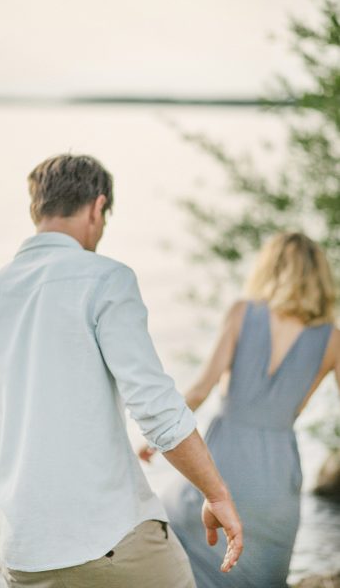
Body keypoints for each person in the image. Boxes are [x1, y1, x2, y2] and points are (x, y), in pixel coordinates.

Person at [0, 153, 242, 588]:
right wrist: (217, 493)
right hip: (117, 539)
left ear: (36, 210)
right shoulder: (106, 280)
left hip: (28, 553)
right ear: (98, 208)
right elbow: (154, 408)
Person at [140, 231, 340, 588]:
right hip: (276, 479)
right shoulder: (332, 338)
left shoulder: (242, 312)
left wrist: (155, 437)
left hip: (221, 465)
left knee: (165, 528)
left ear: (270, 268)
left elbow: (200, 389)